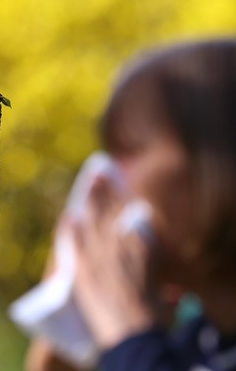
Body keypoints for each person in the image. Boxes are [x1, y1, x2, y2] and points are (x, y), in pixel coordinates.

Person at [29, 39, 236, 371]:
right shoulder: (202, 343)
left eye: (129, 150)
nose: (100, 180)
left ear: (218, 165)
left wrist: (128, 334)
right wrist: (70, 325)